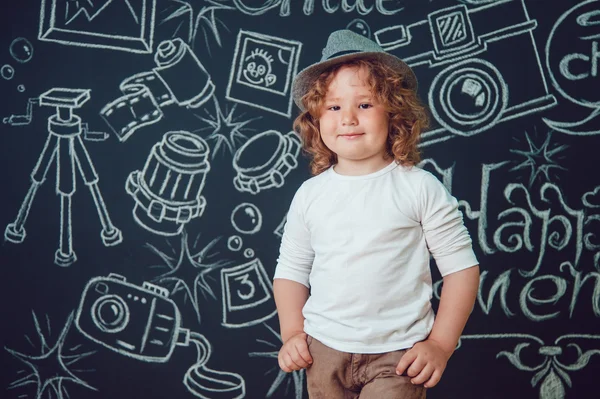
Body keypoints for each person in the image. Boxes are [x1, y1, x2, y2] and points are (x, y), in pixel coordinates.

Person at [273, 29, 480, 398]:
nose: (348, 118)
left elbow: (461, 269)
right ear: (317, 119)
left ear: (394, 113)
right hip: (323, 352)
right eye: (334, 107)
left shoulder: (419, 188)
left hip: (398, 356)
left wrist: (441, 345)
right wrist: (291, 333)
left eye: (364, 104)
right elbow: (290, 272)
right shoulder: (310, 195)